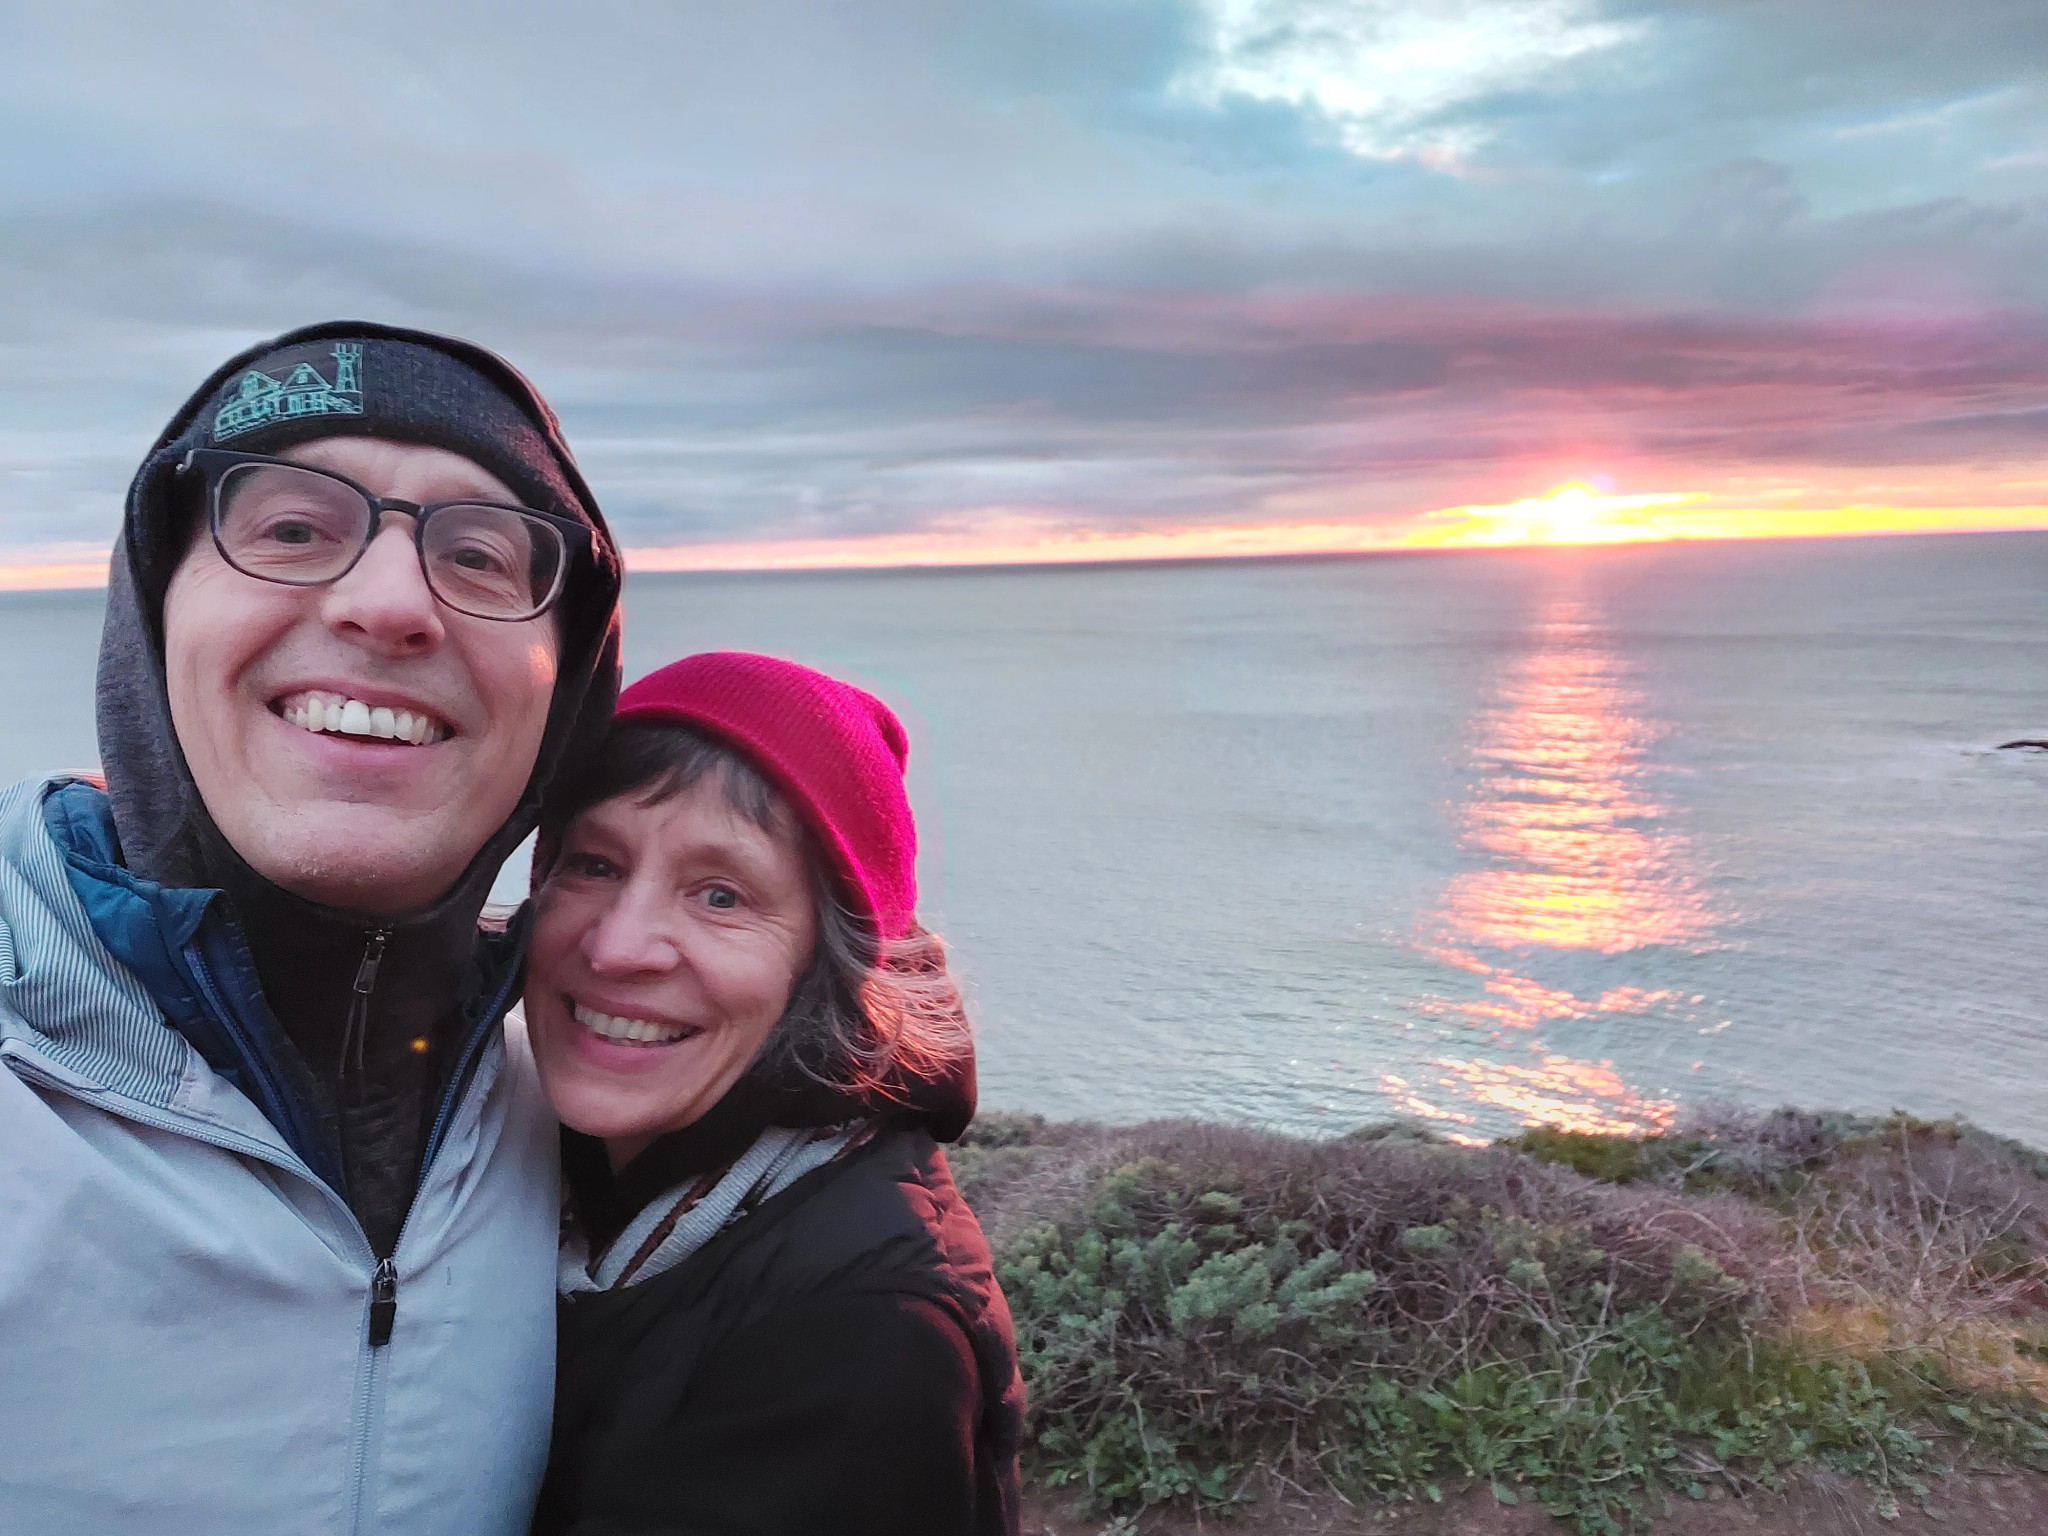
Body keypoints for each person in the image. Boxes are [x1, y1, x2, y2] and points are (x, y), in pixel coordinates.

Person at [0, 322, 623, 1533]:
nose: (389, 605)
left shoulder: (567, 1092)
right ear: (154, 606)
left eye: (486, 557)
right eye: (290, 528)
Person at [526, 651, 1024, 1536]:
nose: (617, 947)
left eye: (721, 895)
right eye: (593, 864)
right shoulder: (543, 1166)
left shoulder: (863, 1338)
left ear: (823, 968)